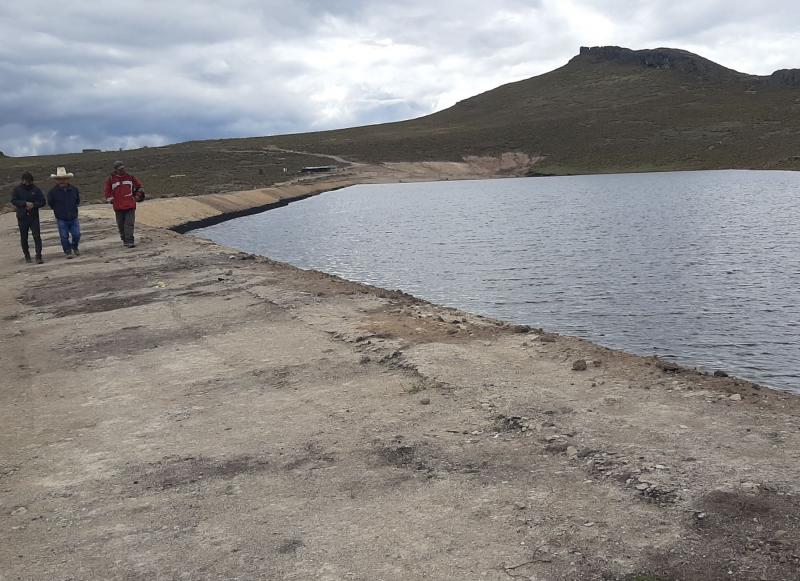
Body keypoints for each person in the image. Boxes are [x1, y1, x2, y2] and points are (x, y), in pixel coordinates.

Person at [104, 161, 145, 248]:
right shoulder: (111, 179)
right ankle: (124, 240)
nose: (122, 170)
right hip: (118, 206)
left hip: (130, 205)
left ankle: (130, 241)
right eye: (120, 169)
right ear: (116, 170)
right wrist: (111, 200)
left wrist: (136, 197)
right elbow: (107, 192)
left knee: (129, 224)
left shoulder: (130, 177)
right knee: (121, 225)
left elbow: (139, 187)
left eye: (123, 168)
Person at [10, 172, 46, 264]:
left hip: (34, 216)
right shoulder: (17, 190)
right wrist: (24, 203)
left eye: (29, 182)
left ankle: (38, 256)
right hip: (22, 217)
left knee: (37, 236)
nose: (28, 184)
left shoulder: (36, 189)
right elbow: (13, 200)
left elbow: (42, 201)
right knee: (24, 237)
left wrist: (34, 205)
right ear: (23, 181)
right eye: (26, 182)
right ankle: (27, 256)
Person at [47, 167, 81, 259]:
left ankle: (74, 246)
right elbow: (51, 203)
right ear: (56, 180)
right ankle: (68, 251)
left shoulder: (74, 189)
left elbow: (77, 201)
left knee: (77, 234)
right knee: (64, 236)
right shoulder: (52, 192)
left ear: (67, 179)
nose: (62, 181)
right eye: (59, 179)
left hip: (73, 216)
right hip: (61, 217)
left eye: (63, 179)